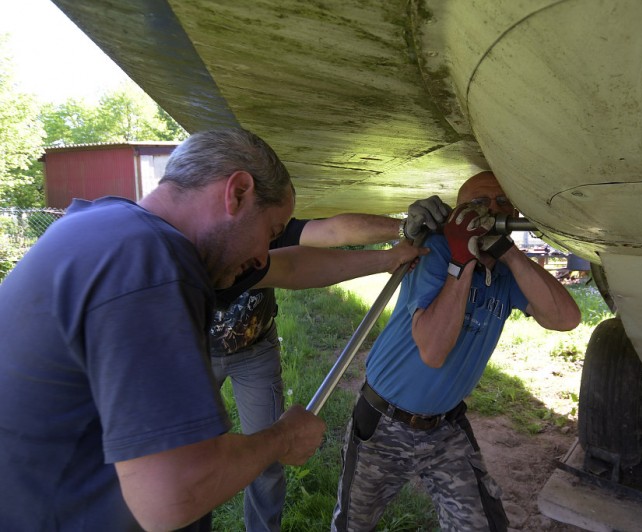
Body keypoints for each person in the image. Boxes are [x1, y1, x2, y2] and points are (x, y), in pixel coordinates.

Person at [0, 128, 329, 531]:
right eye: (271, 232)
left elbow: (292, 267)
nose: (263, 256)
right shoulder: (151, 263)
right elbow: (172, 495)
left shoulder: (102, 228)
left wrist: (389, 259)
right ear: (238, 192)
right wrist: (282, 438)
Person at [331, 171, 582, 531]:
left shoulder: (508, 274)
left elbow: (567, 318)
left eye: (501, 205)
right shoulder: (434, 251)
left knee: (481, 525)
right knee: (353, 524)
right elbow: (433, 350)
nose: (490, 211)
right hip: (383, 423)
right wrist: (462, 259)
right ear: (459, 214)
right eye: (478, 204)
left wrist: (508, 252)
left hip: (445, 429)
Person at [210, 196, 451, 532]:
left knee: (265, 455)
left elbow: (330, 231)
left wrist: (401, 228)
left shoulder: (262, 224)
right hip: (195, 352)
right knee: (185, 455)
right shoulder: (196, 244)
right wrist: (386, 257)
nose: (267, 242)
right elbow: (288, 268)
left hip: (254, 349)